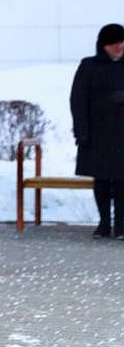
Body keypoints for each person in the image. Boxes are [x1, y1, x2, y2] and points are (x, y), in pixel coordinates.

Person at [70, 23, 124, 239]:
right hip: (98, 135)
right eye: (114, 43)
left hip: (122, 136)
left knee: (122, 182)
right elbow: (77, 100)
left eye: (122, 42)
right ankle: (104, 223)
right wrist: (81, 131)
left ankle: (121, 225)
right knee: (101, 180)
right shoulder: (89, 67)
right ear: (104, 46)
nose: (120, 47)